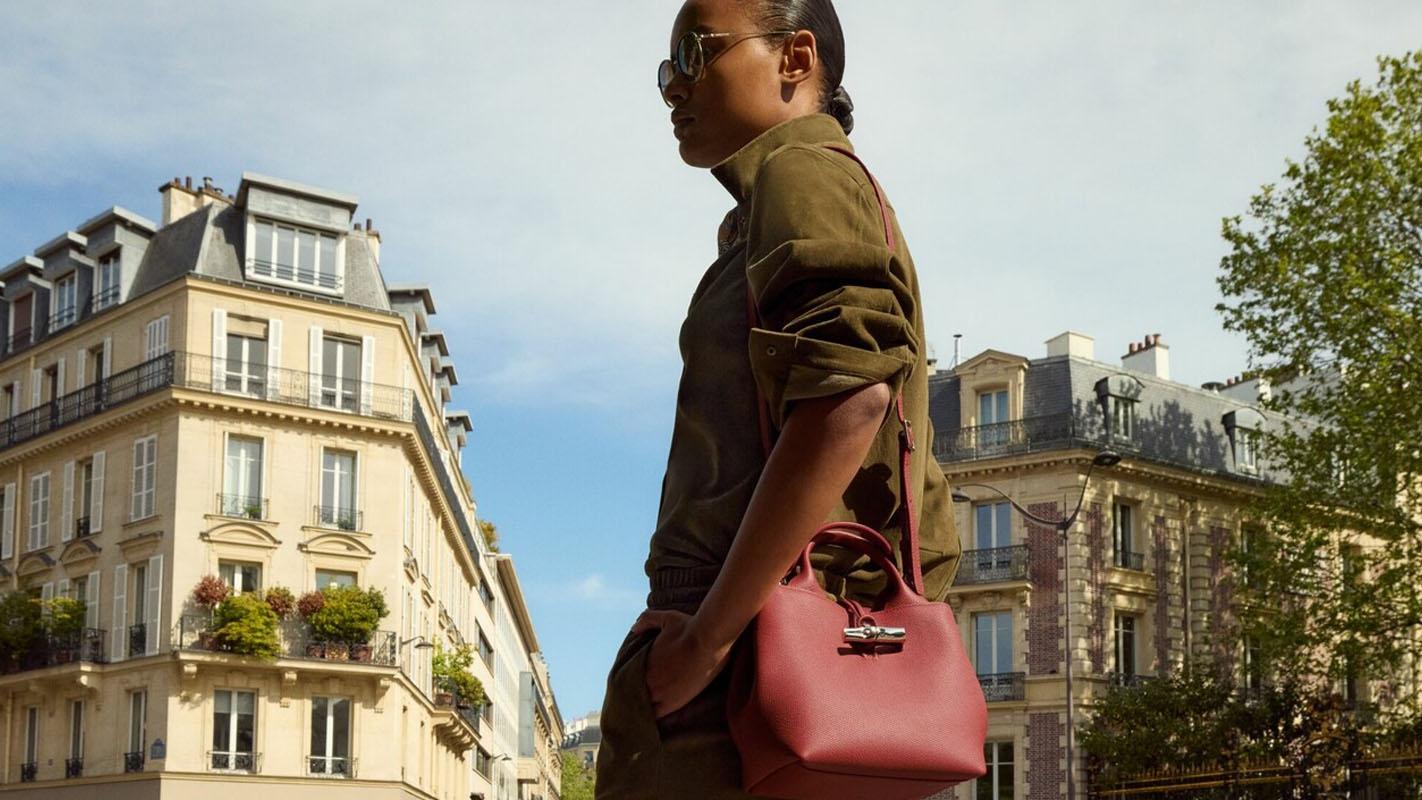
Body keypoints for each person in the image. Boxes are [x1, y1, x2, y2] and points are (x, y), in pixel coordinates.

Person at [594, 0, 962, 797]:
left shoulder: (802, 172)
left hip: (748, 662)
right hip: (769, 645)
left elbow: (850, 398)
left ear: (796, 58)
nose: (673, 87)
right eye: (667, 69)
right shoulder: (771, 203)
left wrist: (707, 641)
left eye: (695, 53)